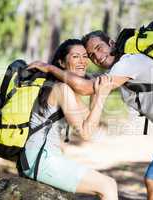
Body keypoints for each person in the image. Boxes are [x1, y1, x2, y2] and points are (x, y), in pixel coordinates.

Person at [28, 31, 153, 200]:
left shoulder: (129, 62)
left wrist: (50, 68)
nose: (97, 57)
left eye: (99, 48)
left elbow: (85, 88)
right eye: (91, 55)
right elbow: (90, 89)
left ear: (112, 43)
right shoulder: (116, 73)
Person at [24, 39, 118, 200]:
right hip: (41, 160)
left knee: (106, 184)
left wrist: (97, 93)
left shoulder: (61, 87)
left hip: (40, 157)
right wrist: (101, 95)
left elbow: (92, 127)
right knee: (107, 185)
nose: (82, 61)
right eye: (75, 57)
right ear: (61, 62)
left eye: (84, 56)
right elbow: (86, 134)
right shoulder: (62, 89)